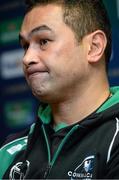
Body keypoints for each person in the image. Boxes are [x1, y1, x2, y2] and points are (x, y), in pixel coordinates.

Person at [0, 0, 119, 179]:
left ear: (94, 47)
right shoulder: (9, 152)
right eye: (25, 46)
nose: (26, 59)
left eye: (43, 41)